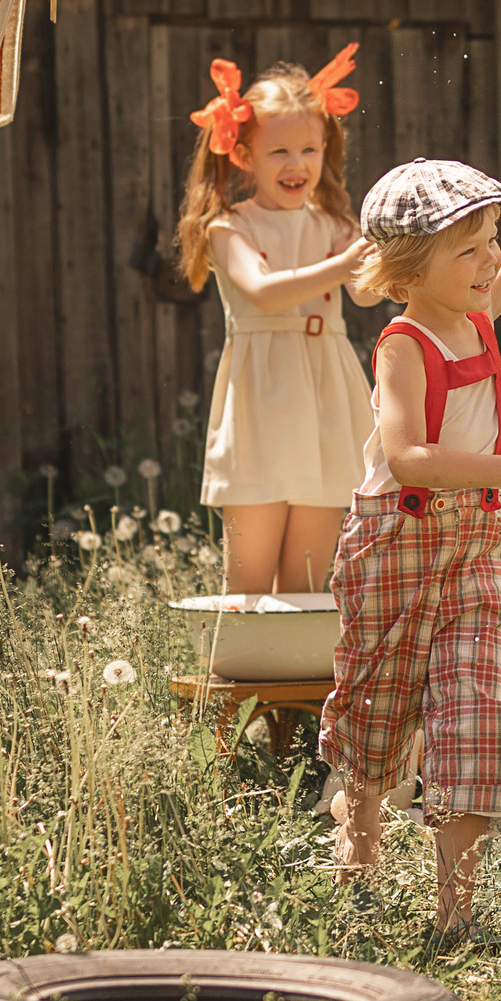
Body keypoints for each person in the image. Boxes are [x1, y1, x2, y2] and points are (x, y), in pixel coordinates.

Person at [322, 64, 501, 951]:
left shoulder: (477, 311)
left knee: (475, 716)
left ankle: (456, 915)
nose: (491, 260)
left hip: (470, 545)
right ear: (412, 267)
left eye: (489, 241)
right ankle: (359, 850)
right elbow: (408, 455)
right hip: (394, 541)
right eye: (470, 249)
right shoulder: (405, 343)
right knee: (378, 717)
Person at [177, 51, 376, 595]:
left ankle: (299, 651)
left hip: (326, 395)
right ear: (244, 155)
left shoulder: (336, 224)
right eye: (280, 151)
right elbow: (263, 293)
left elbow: (363, 293)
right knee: (249, 585)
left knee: (307, 583)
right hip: (262, 401)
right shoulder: (229, 227)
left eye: (309, 149)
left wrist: (395, 253)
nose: (297, 164)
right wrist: (345, 263)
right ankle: (243, 652)